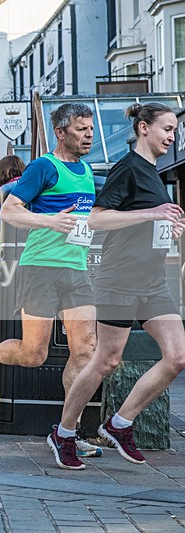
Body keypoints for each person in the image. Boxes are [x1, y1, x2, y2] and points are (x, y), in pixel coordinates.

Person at [0, 103, 102, 458]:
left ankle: (69, 430)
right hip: (40, 268)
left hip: (76, 269)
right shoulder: (43, 167)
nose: (89, 135)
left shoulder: (86, 170)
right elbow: (10, 209)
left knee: (85, 350)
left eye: (90, 128)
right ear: (61, 132)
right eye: (81, 129)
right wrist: (51, 221)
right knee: (34, 354)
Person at [50, 103, 185, 469]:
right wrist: (152, 214)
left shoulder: (155, 173)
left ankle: (119, 424)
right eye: (167, 129)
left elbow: (148, 225)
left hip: (153, 282)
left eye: (174, 131)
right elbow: (95, 219)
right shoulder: (126, 168)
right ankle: (63, 433)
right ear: (143, 128)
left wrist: (169, 229)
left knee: (177, 357)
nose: (172, 137)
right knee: (106, 360)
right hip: (119, 279)